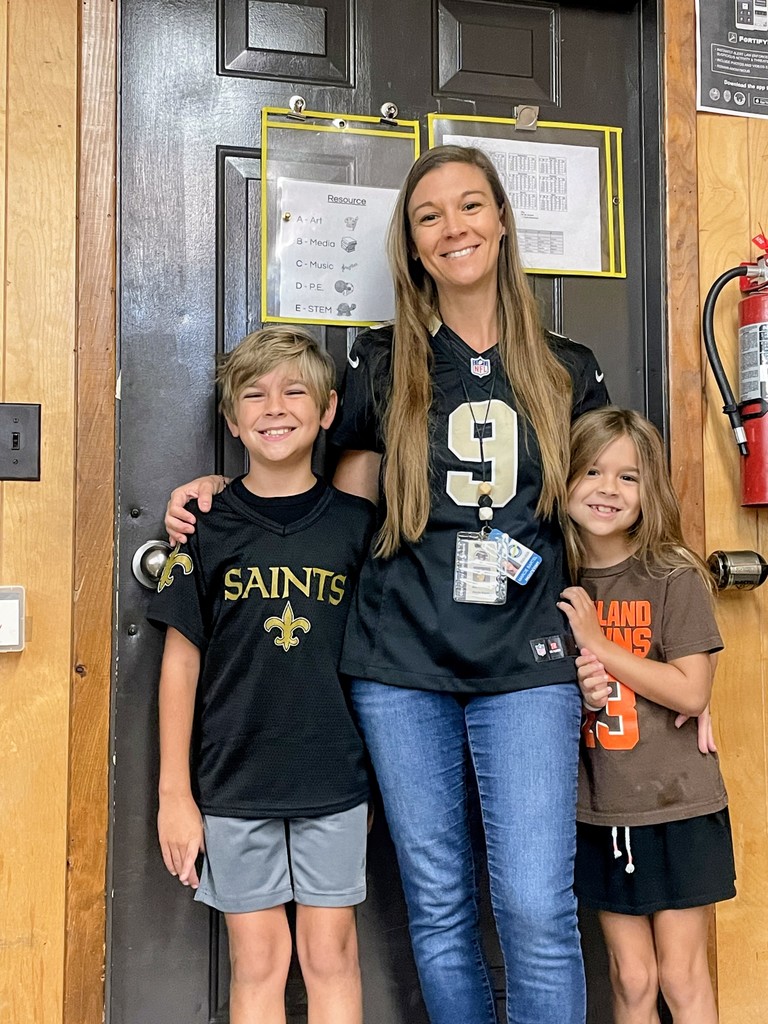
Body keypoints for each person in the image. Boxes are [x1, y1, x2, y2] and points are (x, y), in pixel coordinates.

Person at [165, 145, 609, 1024]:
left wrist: (617, 636)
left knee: (535, 908)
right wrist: (223, 495)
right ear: (409, 243)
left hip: (527, 659)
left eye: (470, 206)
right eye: (429, 216)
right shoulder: (379, 362)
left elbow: (606, 505)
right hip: (401, 662)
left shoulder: (567, 365)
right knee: (438, 910)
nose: (453, 228)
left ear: (504, 220)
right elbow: (333, 514)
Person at [149, 326, 375, 1024]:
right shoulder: (207, 526)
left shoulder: (357, 526)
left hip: (333, 776)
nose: (274, 407)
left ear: (328, 410)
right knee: (258, 962)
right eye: (254, 394)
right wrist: (173, 795)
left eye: (294, 392)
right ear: (232, 419)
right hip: (233, 780)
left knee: (331, 955)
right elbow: (181, 666)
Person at [557, 407, 736, 1024]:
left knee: (682, 974)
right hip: (602, 806)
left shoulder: (671, 574)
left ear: (649, 489)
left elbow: (691, 692)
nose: (608, 489)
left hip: (677, 803)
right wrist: (580, 691)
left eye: (628, 477)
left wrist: (600, 644)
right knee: (631, 977)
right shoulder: (554, 576)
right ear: (564, 477)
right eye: (592, 471)